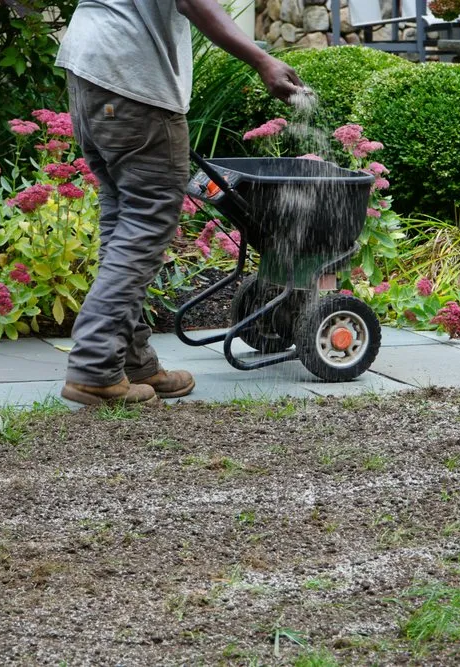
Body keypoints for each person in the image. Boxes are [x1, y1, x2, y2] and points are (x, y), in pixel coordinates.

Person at [56, 0, 304, 406]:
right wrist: (262, 60)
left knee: (123, 221)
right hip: (132, 78)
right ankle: (95, 366)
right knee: (146, 220)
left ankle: (130, 360)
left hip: (90, 70)